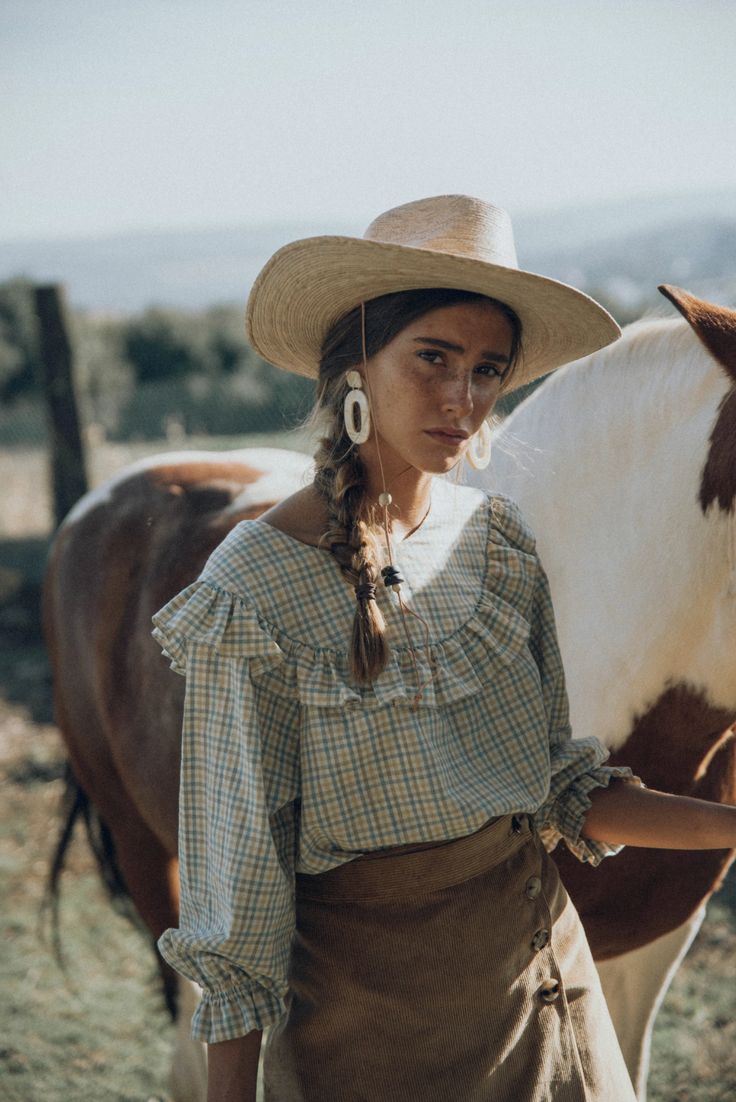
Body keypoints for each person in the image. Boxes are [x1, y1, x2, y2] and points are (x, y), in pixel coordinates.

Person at [152, 195, 736, 1102]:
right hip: (382, 1050)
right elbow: (237, 917)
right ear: (355, 362)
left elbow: (562, 793)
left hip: (560, 1018)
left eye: (488, 369)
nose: (464, 399)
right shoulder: (254, 594)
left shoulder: (499, 545)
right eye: (433, 358)